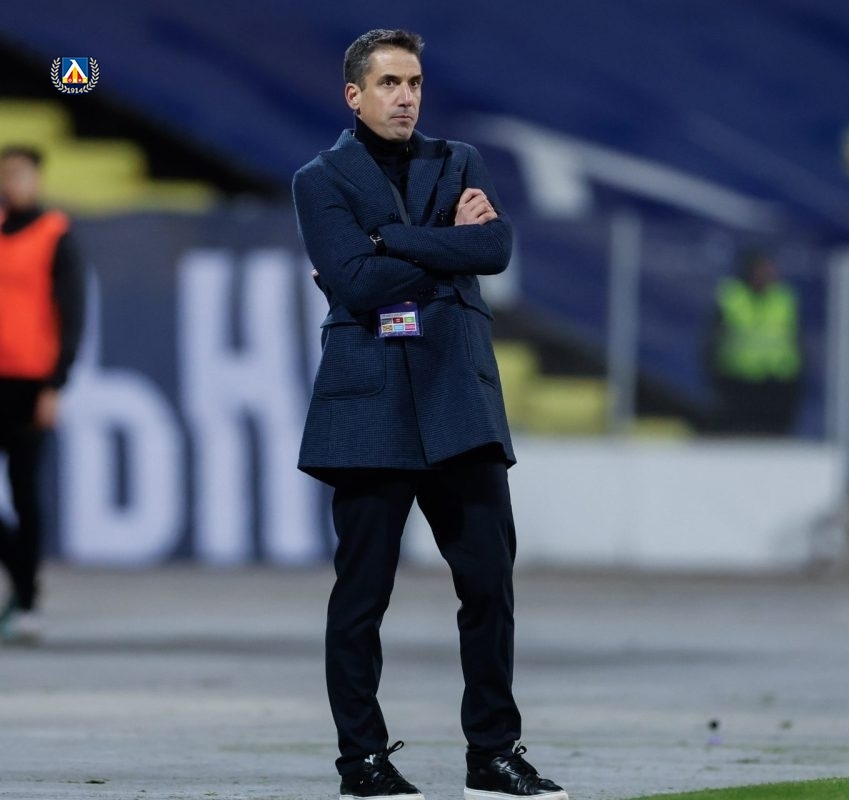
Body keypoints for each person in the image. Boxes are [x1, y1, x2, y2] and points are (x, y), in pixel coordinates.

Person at [292, 29, 567, 800]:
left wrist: (392, 241)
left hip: (457, 399)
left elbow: (496, 249)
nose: (406, 96)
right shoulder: (319, 179)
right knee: (361, 597)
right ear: (354, 95)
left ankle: (494, 756)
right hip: (370, 404)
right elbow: (355, 282)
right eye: (389, 83)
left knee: (489, 586)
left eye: (413, 82)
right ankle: (362, 763)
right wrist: (448, 244)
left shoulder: (461, 160)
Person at [0, 145, 84, 644]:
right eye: (7, 174)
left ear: (37, 178)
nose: (13, 183)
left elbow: (72, 314)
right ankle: (23, 578)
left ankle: (28, 601)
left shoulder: (55, 234)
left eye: (21, 174)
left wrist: (56, 383)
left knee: (24, 491)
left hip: (31, 383)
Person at [705, 249, 803, 435]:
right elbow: (711, 342)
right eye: (761, 269)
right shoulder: (731, 297)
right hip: (737, 382)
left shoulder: (784, 299)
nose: (766, 274)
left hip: (777, 382)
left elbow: (797, 342)